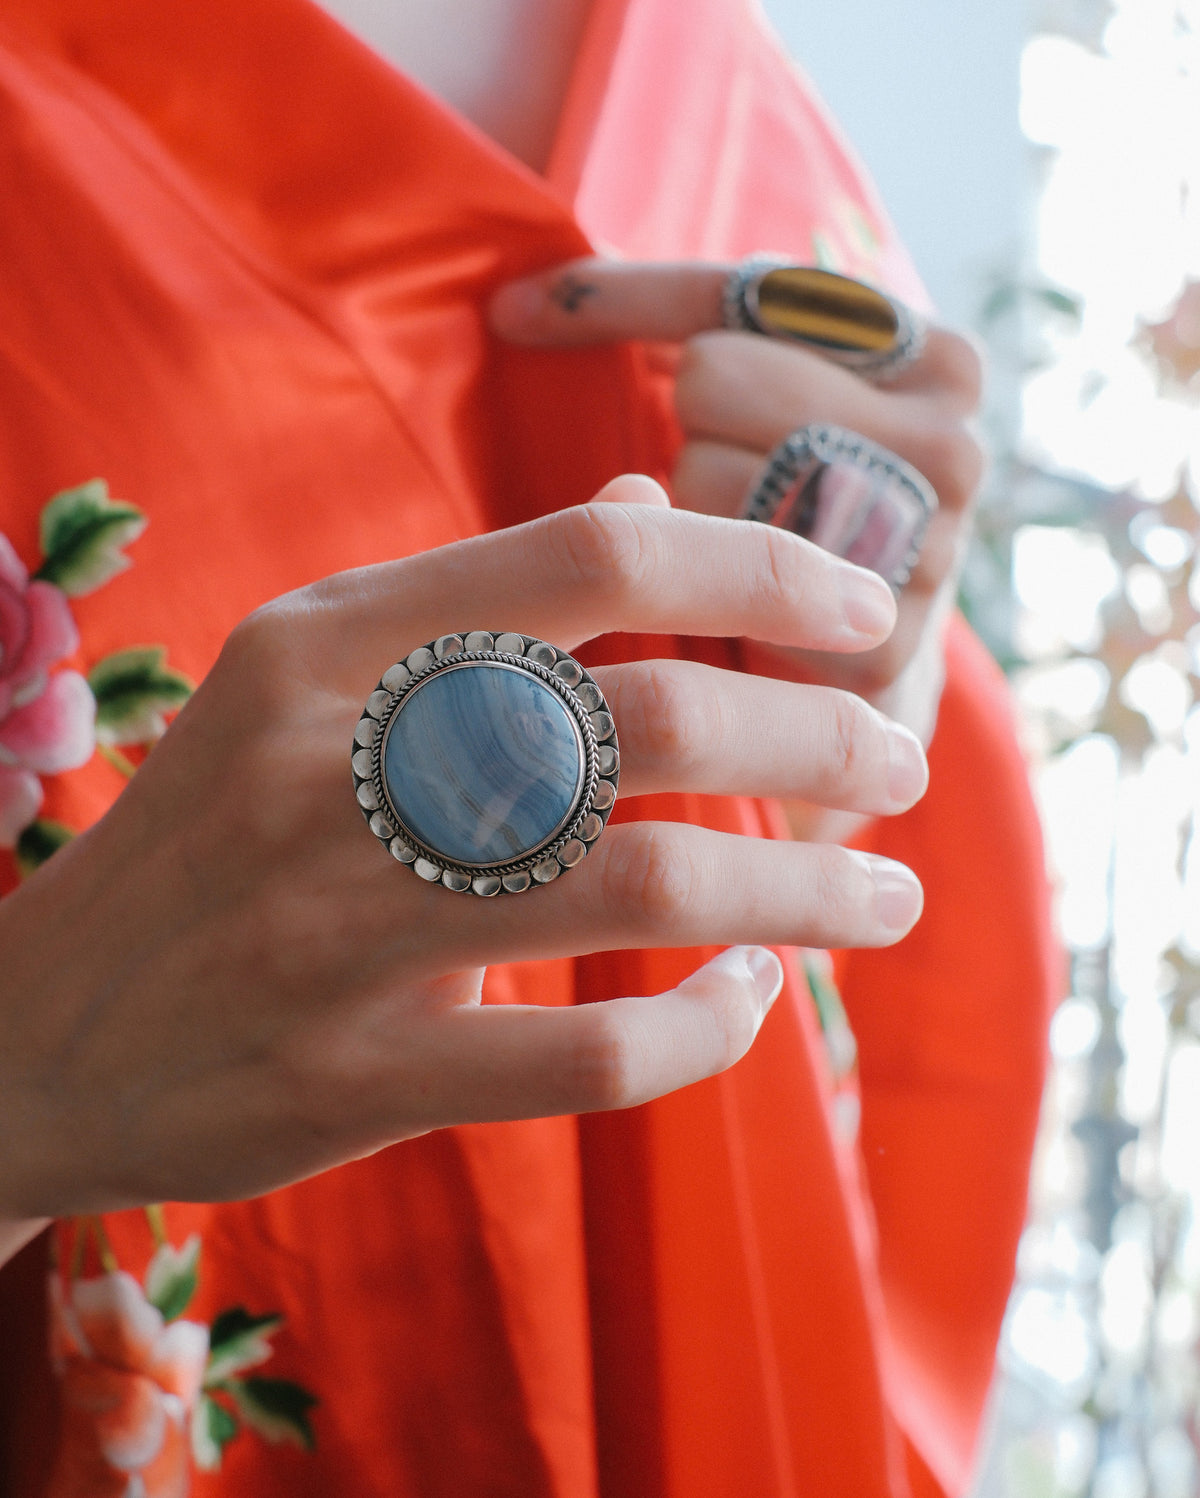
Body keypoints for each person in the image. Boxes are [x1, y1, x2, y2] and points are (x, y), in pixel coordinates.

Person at [0, 0, 1057, 1494]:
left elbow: (876, 869)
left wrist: (877, 629)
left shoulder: (732, 83)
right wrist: (27, 1089)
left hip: (709, 1311)